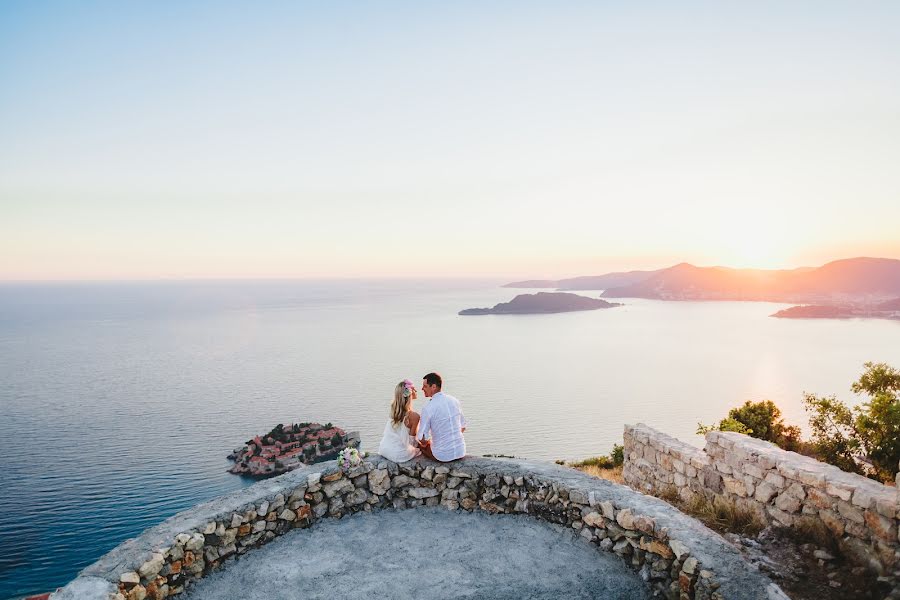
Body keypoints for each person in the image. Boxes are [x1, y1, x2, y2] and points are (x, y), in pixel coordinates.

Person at [416, 372, 467, 462]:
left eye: (425, 386)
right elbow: (463, 426)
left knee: (418, 445)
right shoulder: (454, 400)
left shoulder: (428, 407)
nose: (422, 389)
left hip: (442, 456)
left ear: (434, 386)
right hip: (460, 451)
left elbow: (422, 438)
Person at [377, 379, 422, 462]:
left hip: (384, 449)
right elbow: (412, 443)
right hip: (398, 454)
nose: (416, 391)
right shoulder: (415, 416)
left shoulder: (394, 410)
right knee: (421, 450)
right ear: (409, 394)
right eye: (414, 389)